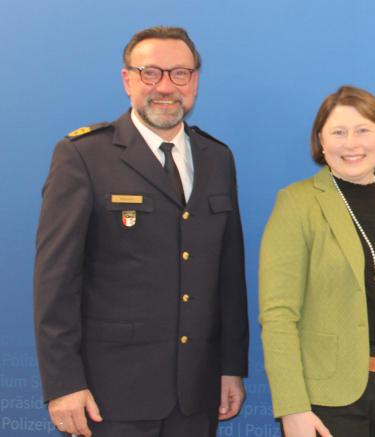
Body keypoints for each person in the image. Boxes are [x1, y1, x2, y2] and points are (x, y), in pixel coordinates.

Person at [33, 25, 248, 437]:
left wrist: (230, 368)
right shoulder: (84, 156)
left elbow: (228, 275)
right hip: (109, 396)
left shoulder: (217, 158)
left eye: (180, 73)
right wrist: (63, 384)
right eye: (151, 73)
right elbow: (55, 281)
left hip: (196, 393)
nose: (165, 86)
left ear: (195, 81)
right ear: (127, 79)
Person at [259, 85, 375, 437]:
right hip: (328, 400)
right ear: (321, 140)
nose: (352, 144)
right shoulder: (296, 203)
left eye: (363, 130)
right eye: (338, 132)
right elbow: (278, 316)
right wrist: (292, 407)